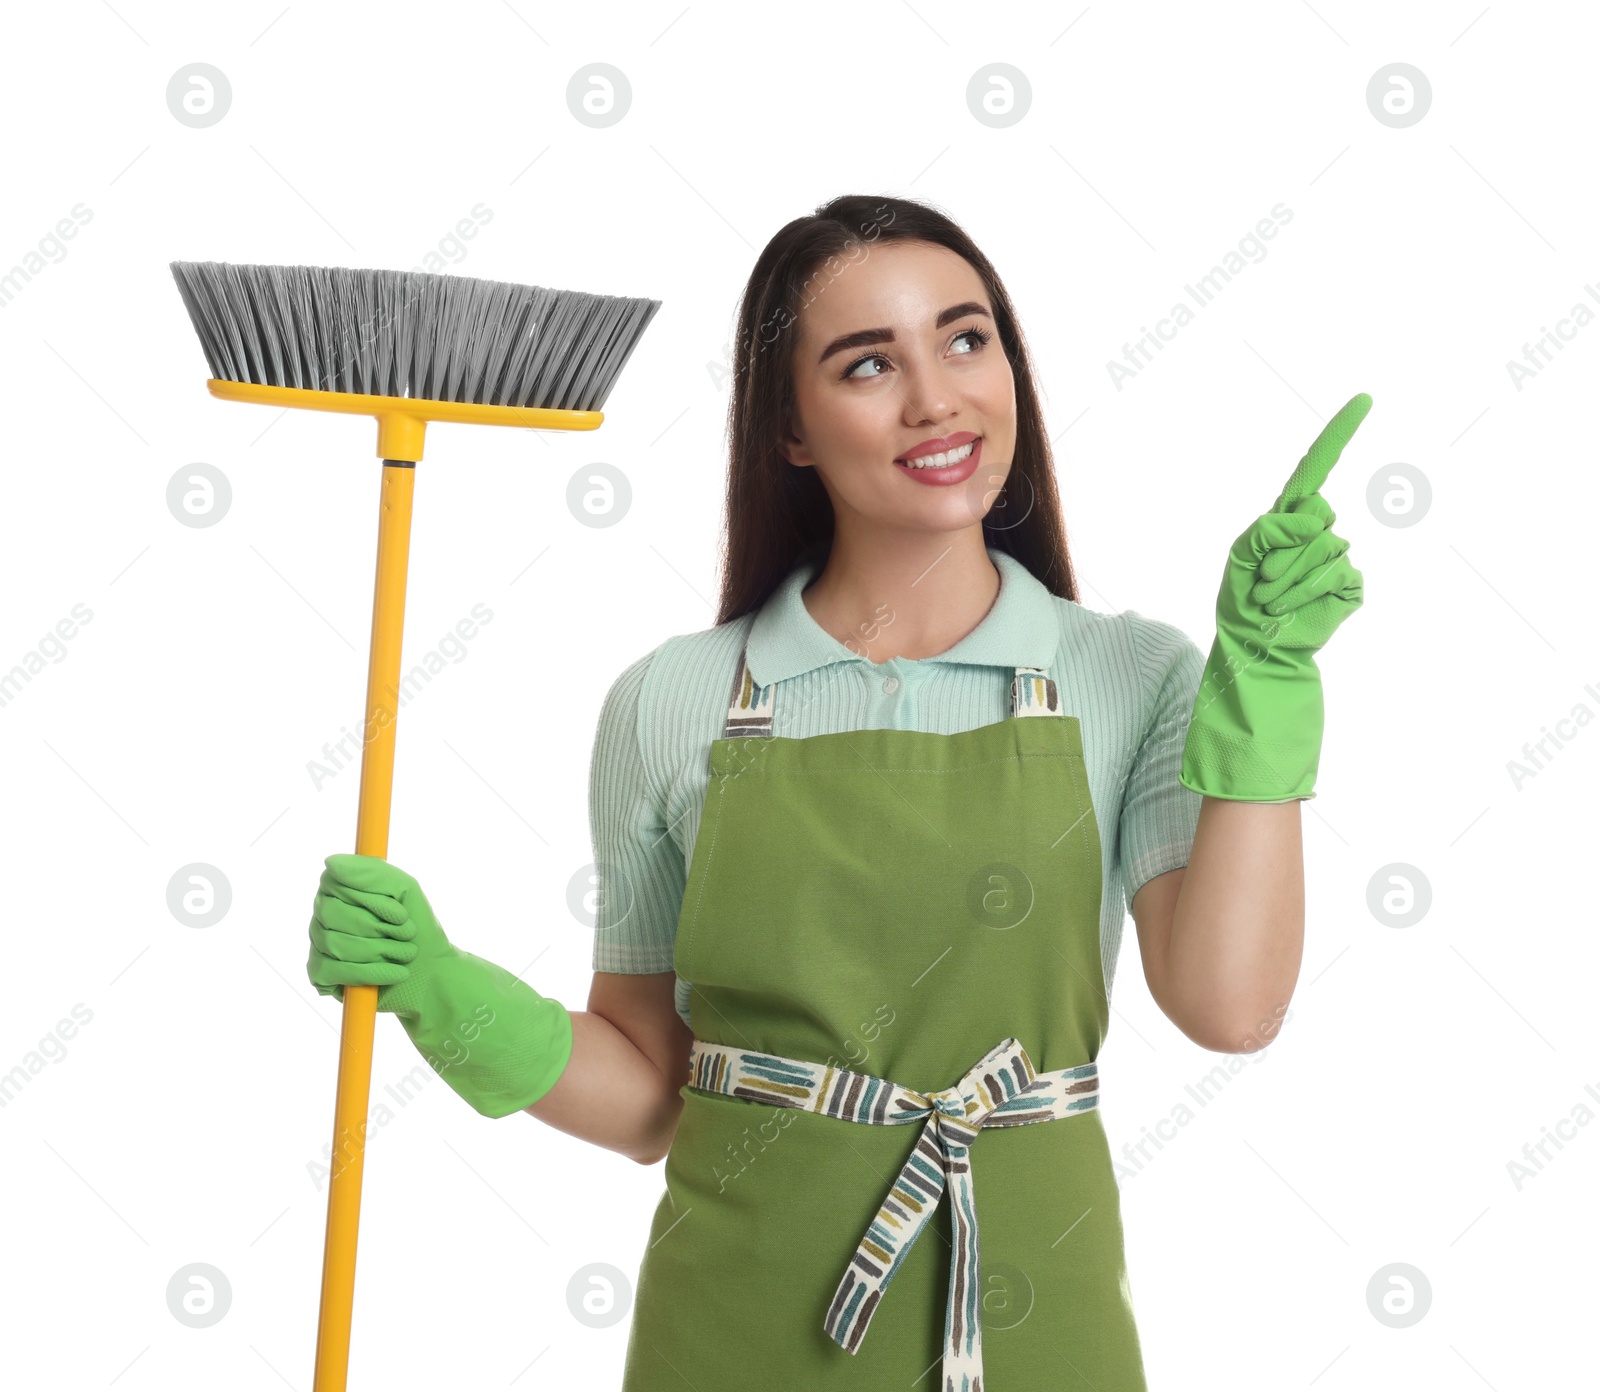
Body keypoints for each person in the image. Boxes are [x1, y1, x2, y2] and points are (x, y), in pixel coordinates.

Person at [305, 193, 1368, 1390]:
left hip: (1031, 1324)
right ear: (791, 430)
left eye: (967, 340)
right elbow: (655, 1094)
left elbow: (1231, 1009)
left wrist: (1266, 691)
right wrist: (442, 995)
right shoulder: (673, 700)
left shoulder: (1130, 675)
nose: (935, 399)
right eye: (868, 364)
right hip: (736, 1333)